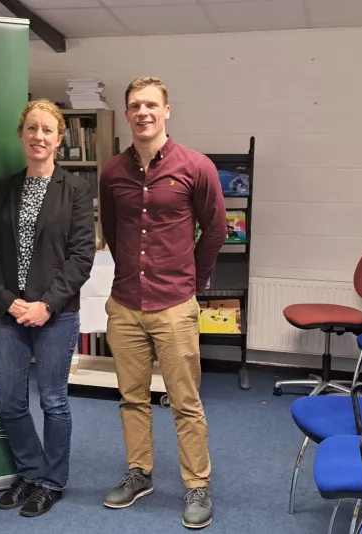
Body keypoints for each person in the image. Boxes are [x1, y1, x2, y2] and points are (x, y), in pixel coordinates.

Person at [98, 77, 226, 529]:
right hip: (125, 304)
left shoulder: (197, 166)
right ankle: (139, 473)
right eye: (135, 106)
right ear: (128, 113)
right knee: (131, 398)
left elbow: (215, 230)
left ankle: (197, 483)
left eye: (151, 105)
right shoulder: (112, 171)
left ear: (166, 111)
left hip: (175, 304)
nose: (143, 113)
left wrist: (194, 278)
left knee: (184, 400)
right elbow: (112, 230)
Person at [0, 98, 96, 518]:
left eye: (47, 130)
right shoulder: (5, 189)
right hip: (10, 311)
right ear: (21, 135)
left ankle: (51, 481)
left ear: (60, 139)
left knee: (53, 401)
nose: (39, 136)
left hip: (56, 313)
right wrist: (9, 302)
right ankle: (30, 471)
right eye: (32, 128)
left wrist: (46, 305)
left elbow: (82, 256)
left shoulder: (77, 190)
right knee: (9, 401)